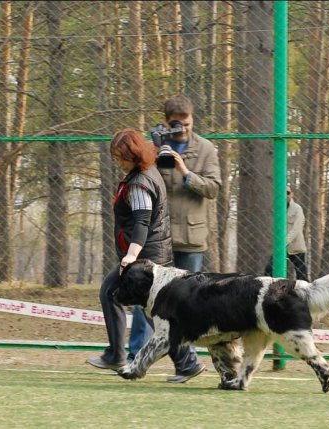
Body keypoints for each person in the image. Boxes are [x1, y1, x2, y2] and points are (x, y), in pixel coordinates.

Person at [127, 94, 221, 383]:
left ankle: (186, 361)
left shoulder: (205, 148)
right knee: (145, 297)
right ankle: (135, 357)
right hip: (160, 237)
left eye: (188, 124)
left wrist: (185, 171)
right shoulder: (156, 144)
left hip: (191, 237)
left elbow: (213, 188)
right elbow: (140, 179)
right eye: (176, 125)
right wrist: (153, 149)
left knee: (187, 303)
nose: (183, 130)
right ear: (166, 122)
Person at [86, 128, 173, 370]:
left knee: (111, 293)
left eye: (120, 158)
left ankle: (116, 355)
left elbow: (142, 222)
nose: (117, 163)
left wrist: (131, 255)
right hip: (155, 253)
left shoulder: (139, 185)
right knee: (154, 313)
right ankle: (187, 362)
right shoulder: (148, 170)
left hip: (146, 257)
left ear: (133, 157)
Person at [264, 185, 308, 281]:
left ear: (292, 194)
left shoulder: (297, 209)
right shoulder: (278, 210)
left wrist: (284, 242)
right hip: (281, 248)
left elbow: (297, 228)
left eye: (288, 192)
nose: (286, 195)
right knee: (269, 269)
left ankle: (304, 294)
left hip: (296, 248)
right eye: (283, 193)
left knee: (302, 276)